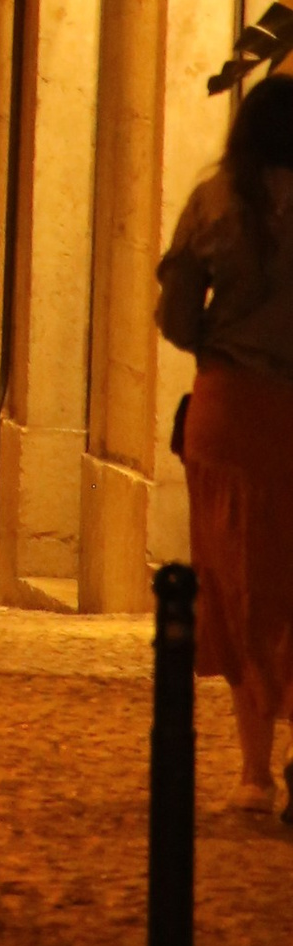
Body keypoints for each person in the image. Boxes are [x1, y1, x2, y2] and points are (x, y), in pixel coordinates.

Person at [157, 74, 293, 816]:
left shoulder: (214, 204)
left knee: (238, 581)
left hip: (231, 411)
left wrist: (220, 339)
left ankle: (254, 772)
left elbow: (176, 316)